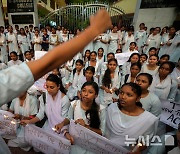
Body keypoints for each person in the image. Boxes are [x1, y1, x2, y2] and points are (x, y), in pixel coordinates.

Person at [0, 9, 110, 153]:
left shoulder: (68, 101)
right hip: (52, 128)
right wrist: (93, 30)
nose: (48, 89)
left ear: (59, 86)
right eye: (47, 86)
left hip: (63, 131)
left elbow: (67, 120)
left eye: (52, 87)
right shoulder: (46, 96)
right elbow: (42, 114)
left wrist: (67, 130)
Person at [105, 83, 158, 153]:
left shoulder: (148, 119)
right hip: (105, 148)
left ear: (138, 99)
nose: (123, 97)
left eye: (129, 95)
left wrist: (137, 148)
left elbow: (144, 141)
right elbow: (105, 130)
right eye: (121, 93)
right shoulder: (112, 108)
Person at [59, 81, 106, 154]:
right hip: (76, 145)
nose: (86, 94)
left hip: (91, 147)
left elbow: (102, 132)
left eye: (90, 92)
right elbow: (69, 118)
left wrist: (86, 127)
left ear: (96, 95)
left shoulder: (101, 110)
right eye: (84, 91)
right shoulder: (74, 104)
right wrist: (62, 124)